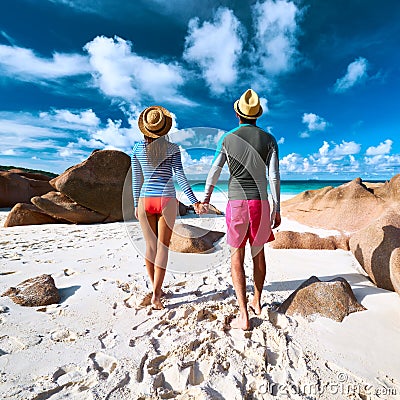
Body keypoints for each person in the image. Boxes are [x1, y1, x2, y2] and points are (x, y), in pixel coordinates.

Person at [203, 89, 281, 330]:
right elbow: (274, 176)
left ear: (237, 113)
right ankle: (257, 301)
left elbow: (215, 169)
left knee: (236, 256)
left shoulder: (227, 138)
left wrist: (206, 196)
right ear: (257, 115)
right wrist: (276, 208)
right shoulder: (269, 140)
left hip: (236, 203)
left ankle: (243, 314)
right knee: (258, 254)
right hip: (260, 203)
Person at [132, 105, 204, 309]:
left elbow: (136, 179)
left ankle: (156, 288)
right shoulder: (172, 149)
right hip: (167, 200)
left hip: (145, 200)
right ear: (164, 128)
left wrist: (135, 202)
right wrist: (194, 201)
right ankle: (156, 293)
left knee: (150, 247)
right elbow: (180, 177)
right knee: (163, 247)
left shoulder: (137, 149)